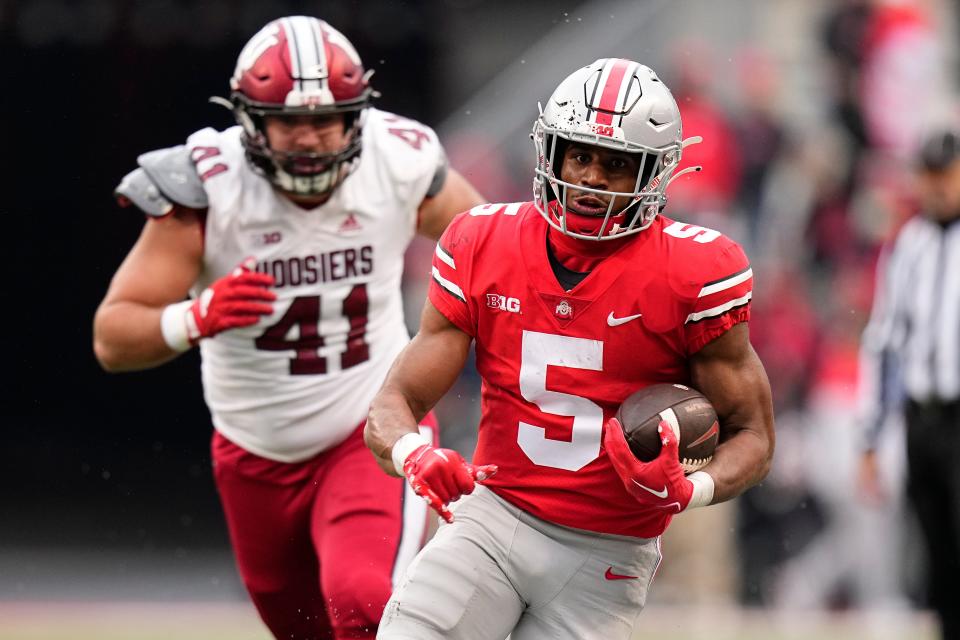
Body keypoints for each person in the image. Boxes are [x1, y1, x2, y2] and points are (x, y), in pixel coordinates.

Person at [93, 15, 484, 640]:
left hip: (369, 431)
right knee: (303, 629)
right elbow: (113, 338)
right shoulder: (207, 189)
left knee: (362, 605)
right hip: (253, 452)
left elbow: (494, 256)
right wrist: (197, 316)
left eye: (325, 120)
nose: (308, 138)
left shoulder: (397, 161)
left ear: (357, 117)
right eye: (289, 122)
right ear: (249, 121)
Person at [364, 58, 776, 640]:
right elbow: (392, 402)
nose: (592, 178)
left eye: (615, 163)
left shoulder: (696, 271)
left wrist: (691, 488)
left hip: (607, 556)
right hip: (491, 520)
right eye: (579, 155)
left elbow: (754, 436)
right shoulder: (482, 240)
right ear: (551, 152)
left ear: (653, 173)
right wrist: (414, 454)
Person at [858, 128, 960, 640]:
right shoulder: (908, 246)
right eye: (930, 175)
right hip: (923, 419)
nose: (938, 187)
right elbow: (884, 342)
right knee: (936, 552)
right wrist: (872, 435)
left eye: (946, 174)